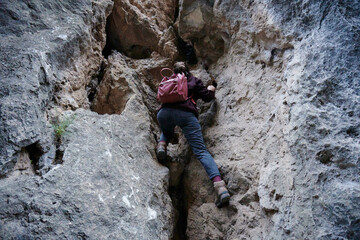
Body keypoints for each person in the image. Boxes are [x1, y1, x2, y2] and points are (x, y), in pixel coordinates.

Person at [156, 62, 230, 207]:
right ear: (188, 70)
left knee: (166, 130)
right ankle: (220, 188)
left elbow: (160, 97)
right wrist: (211, 88)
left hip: (164, 114)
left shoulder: (168, 80)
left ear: (174, 71)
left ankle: (162, 145)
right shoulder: (194, 81)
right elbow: (207, 97)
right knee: (201, 151)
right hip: (187, 116)